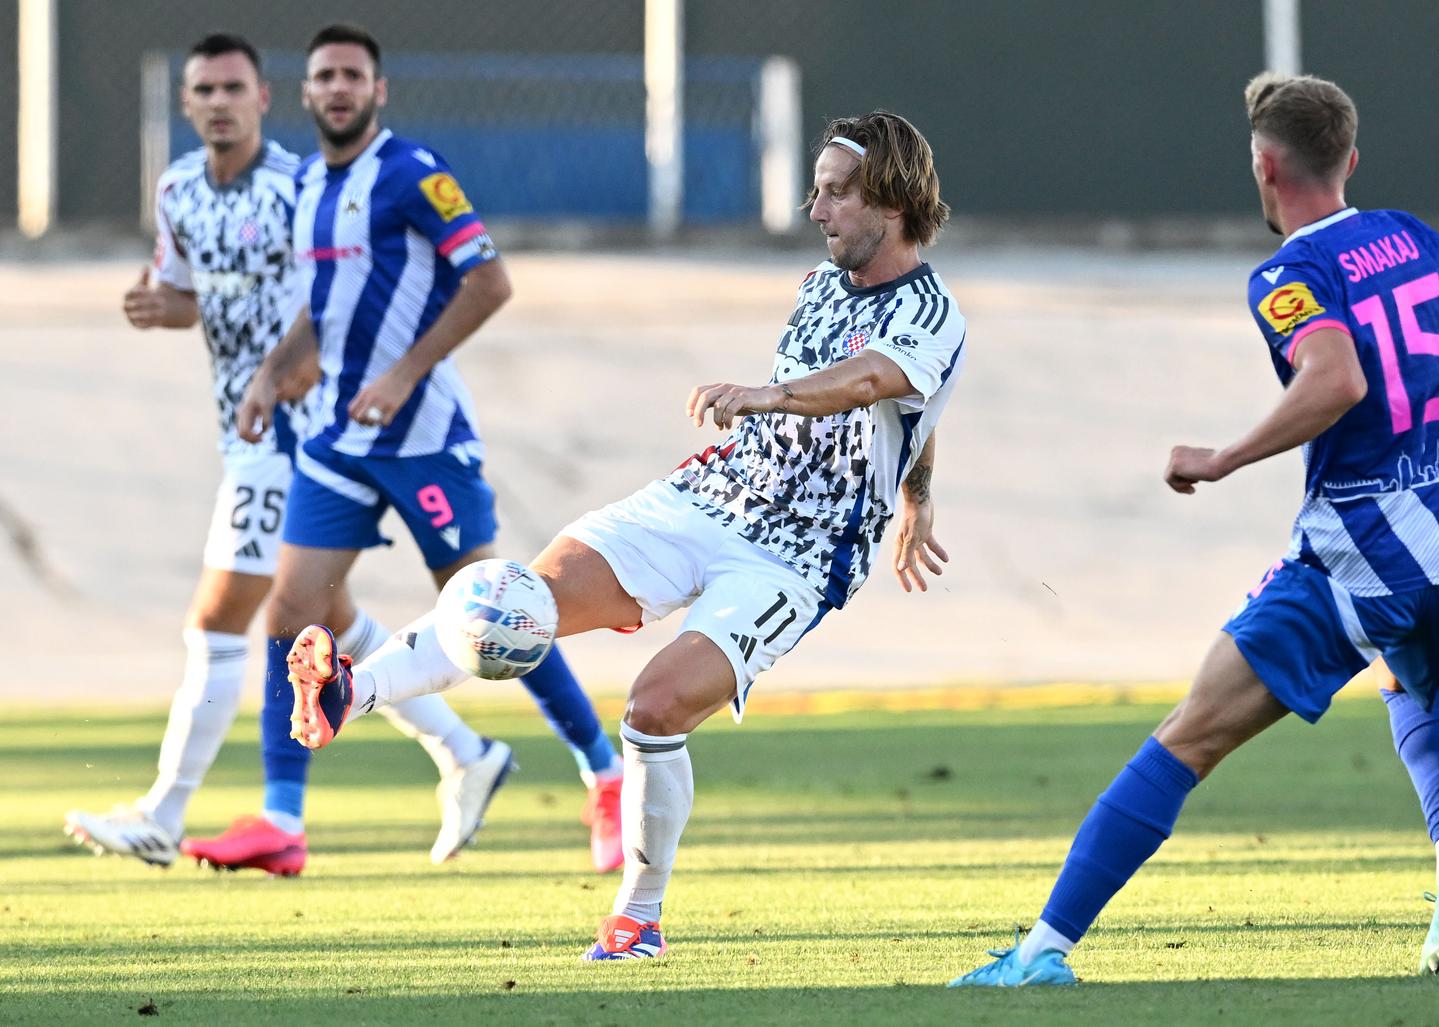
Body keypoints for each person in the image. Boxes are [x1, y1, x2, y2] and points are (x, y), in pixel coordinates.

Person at [278, 110, 964, 960]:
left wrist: (770, 397)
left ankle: (638, 916)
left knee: (655, 704)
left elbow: (879, 380)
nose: (813, 209)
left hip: (797, 554)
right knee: (511, 601)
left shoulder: (932, 312)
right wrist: (918, 491)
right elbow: (913, 404)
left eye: (832, 193)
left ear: (889, 203)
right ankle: (353, 692)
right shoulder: (822, 283)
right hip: (706, 496)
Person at [950, 72, 1439, 988]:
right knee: (1413, 672)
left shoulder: (1287, 274)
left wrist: (1223, 457)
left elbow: (1337, 378)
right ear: (1350, 159)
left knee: (1187, 734)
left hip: (1360, 555)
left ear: (1264, 166)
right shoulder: (1417, 239)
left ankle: (1041, 952)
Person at [60, 32, 506, 873]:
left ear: (265, 99)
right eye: (205, 90)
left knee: (224, 617)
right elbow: (192, 295)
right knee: (321, 620)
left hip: (305, 429)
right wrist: (166, 308)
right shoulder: (178, 188)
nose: (220, 102)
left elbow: (341, 292)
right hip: (244, 424)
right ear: (186, 103)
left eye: (235, 88)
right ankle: (466, 751)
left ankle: (168, 811)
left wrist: (301, 371)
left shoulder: (300, 185)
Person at [190, 23, 623, 875]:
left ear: (378, 90)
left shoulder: (414, 174)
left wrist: (401, 374)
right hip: (339, 442)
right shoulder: (311, 183)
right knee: (292, 611)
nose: (340, 87)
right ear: (306, 93)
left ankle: (605, 775)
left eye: (354, 74)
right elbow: (327, 305)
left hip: (425, 441)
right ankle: (283, 820)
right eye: (326, 76)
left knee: (501, 614)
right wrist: (272, 373)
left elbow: (490, 280)